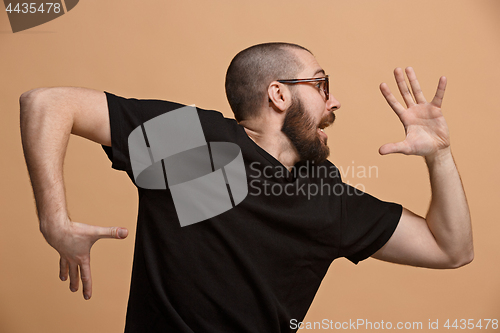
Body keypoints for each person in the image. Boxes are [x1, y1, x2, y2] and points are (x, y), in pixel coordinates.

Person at [20, 42, 473, 332]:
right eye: (321, 85)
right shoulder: (201, 145)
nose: (334, 101)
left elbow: (450, 249)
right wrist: (53, 221)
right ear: (279, 94)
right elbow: (48, 103)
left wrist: (439, 154)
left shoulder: (326, 198)